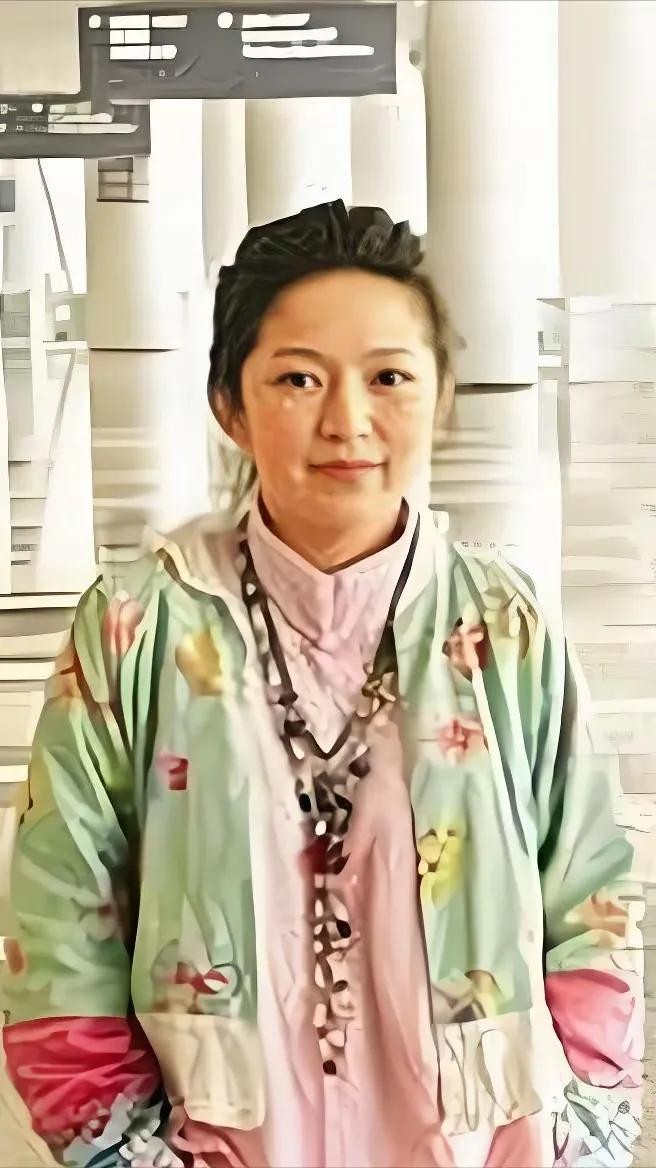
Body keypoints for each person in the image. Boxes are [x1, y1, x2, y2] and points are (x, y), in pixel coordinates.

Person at [1, 202, 643, 1168]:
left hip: (484, 1145)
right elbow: (59, 913)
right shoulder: (138, 629)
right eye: (298, 378)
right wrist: (118, 1151)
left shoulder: (504, 629)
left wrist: (585, 1135)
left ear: (439, 396)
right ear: (230, 404)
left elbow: (591, 895)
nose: (348, 421)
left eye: (389, 377)